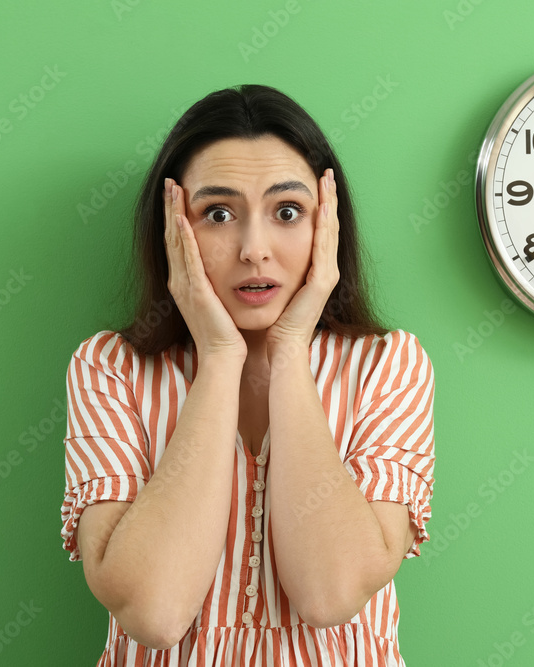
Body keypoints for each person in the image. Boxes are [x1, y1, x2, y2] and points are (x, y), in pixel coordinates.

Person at [58, 85, 436, 666]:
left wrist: (288, 352)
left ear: (327, 225)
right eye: (218, 214)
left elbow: (329, 595)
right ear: (172, 228)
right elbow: (153, 615)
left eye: (288, 212)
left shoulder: (388, 365)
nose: (254, 249)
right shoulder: (110, 368)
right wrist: (218, 357)